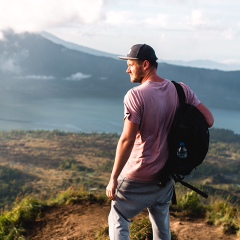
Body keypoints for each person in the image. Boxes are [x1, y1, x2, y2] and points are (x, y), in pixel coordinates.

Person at [106, 44, 214, 240]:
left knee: (119, 216)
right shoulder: (181, 90)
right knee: (161, 225)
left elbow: (127, 140)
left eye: (131, 64)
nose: (127, 69)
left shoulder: (135, 95)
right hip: (166, 176)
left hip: (137, 176)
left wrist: (113, 178)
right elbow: (209, 120)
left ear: (145, 64)